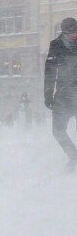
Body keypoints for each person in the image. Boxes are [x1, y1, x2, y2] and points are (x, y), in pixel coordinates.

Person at [44, 17, 77, 173]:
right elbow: (50, 71)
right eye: (71, 33)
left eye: (76, 32)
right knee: (57, 131)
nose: (74, 35)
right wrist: (48, 95)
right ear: (64, 33)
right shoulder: (55, 46)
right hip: (63, 96)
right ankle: (73, 156)